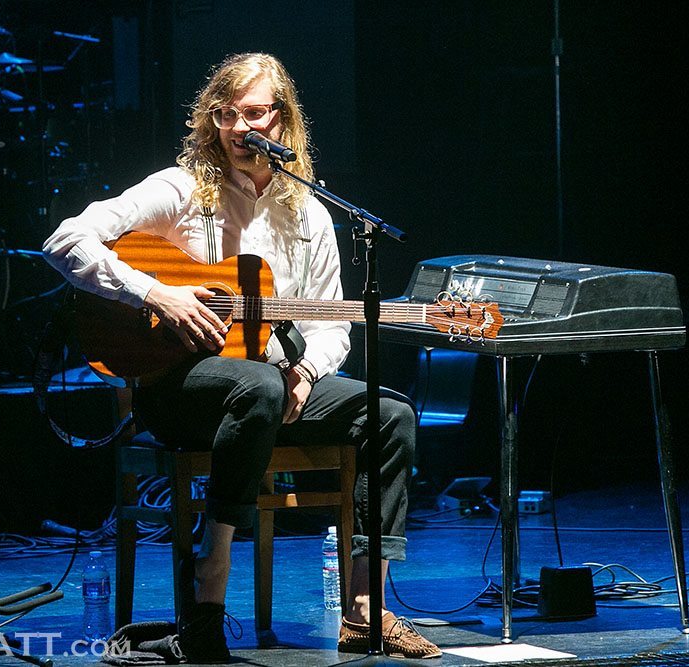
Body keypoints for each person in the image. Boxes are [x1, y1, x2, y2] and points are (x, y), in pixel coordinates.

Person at [42, 52, 441, 662]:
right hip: (178, 388)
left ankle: (365, 610)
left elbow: (330, 322)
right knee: (258, 385)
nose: (236, 127)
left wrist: (306, 373)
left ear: (282, 122)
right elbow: (64, 239)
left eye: (251, 114)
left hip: (270, 385)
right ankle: (210, 580)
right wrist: (158, 293)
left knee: (390, 414)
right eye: (225, 114)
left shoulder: (307, 213)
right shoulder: (180, 189)